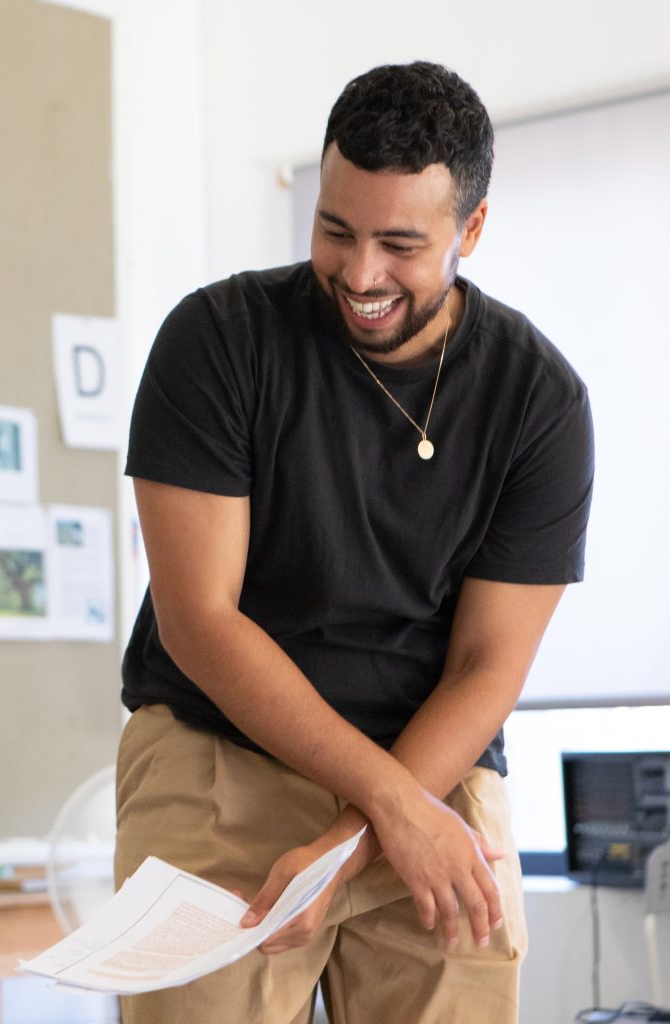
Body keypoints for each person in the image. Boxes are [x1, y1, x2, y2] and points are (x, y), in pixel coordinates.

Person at [115, 60, 594, 1024]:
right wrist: (382, 812)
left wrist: (370, 828)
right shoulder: (217, 342)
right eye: (335, 230)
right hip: (226, 743)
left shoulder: (539, 401)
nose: (360, 274)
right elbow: (199, 620)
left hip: (434, 760)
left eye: (400, 244)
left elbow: (485, 664)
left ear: (472, 230)